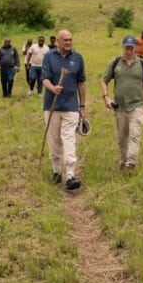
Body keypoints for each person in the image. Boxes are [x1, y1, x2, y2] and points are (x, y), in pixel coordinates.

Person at [41, 29, 87, 191]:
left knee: (69, 139)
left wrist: (82, 106)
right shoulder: (49, 57)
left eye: (70, 40)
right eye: (65, 40)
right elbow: (44, 78)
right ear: (58, 42)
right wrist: (53, 88)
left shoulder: (77, 58)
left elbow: (81, 83)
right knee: (54, 141)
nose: (68, 42)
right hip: (51, 106)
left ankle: (70, 175)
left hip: (71, 107)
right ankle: (55, 171)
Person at [102, 35, 143, 172]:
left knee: (134, 135)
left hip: (137, 107)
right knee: (122, 138)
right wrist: (106, 97)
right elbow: (104, 80)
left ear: (135, 48)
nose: (129, 51)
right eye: (127, 48)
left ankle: (131, 163)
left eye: (131, 48)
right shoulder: (116, 63)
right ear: (123, 47)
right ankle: (124, 161)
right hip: (120, 108)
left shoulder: (142, 64)